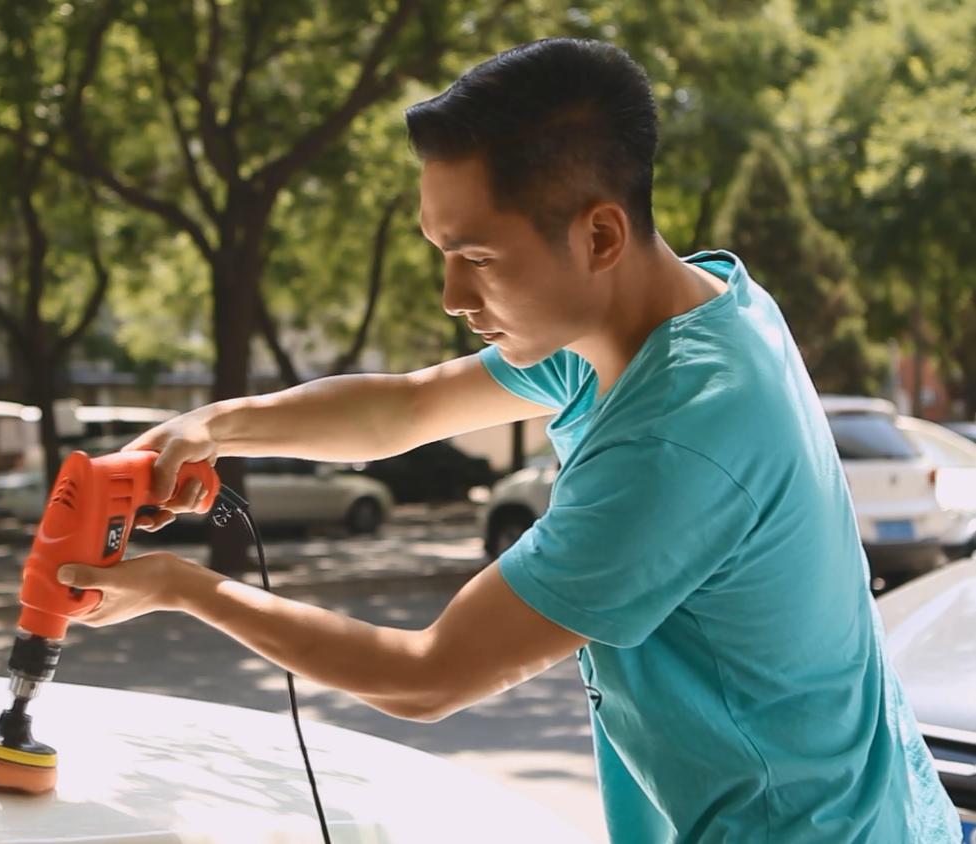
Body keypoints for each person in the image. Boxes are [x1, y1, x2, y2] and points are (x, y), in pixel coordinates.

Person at [55, 38, 960, 842]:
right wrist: (212, 425)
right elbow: (402, 411)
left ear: (600, 233)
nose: (450, 295)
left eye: (478, 258)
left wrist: (183, 588)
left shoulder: (678, 439)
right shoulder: (668, 311)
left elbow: (429, 675)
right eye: (439, 251)